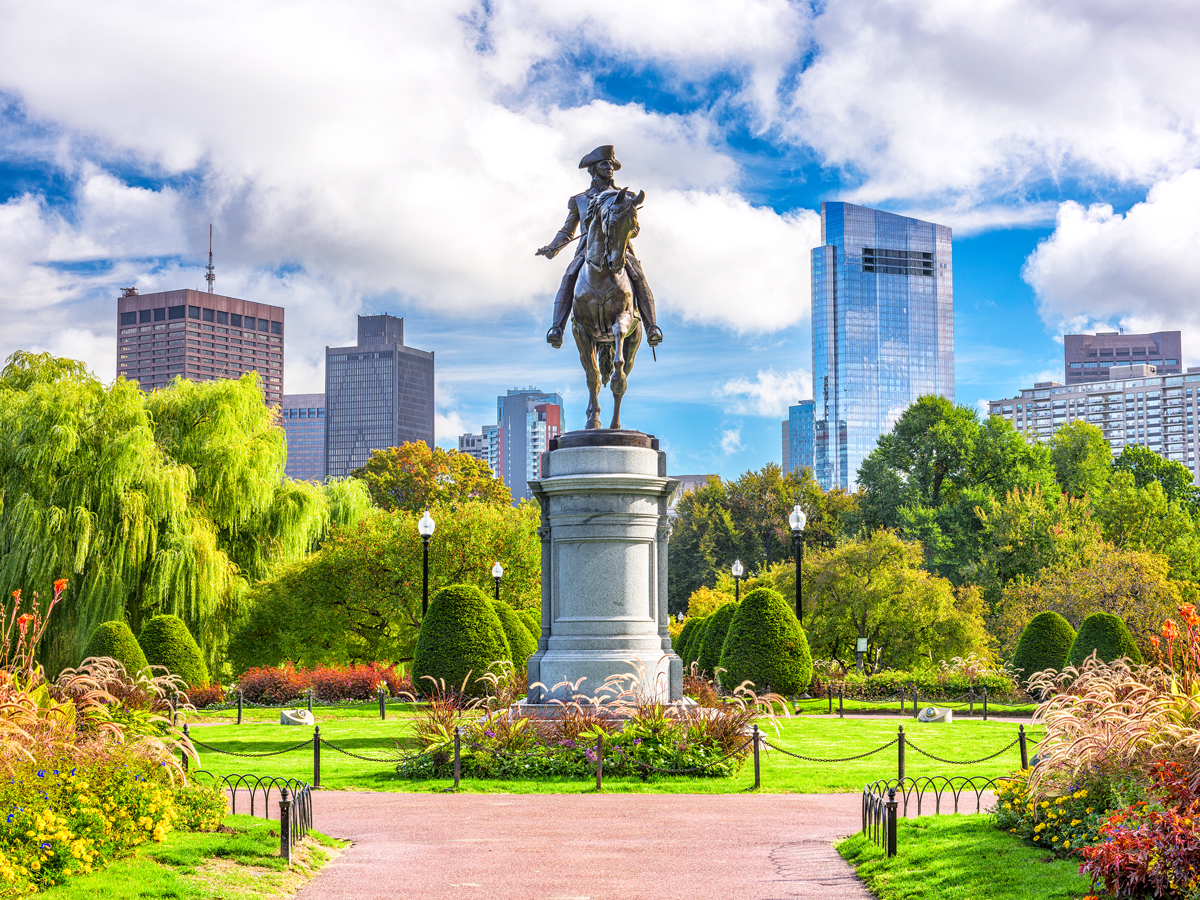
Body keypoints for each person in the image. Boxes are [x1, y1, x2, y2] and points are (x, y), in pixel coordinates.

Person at [536, 145, 663, 349]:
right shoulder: (579, 200)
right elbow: (567, 231)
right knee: (569, 277)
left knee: (638, 276)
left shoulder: (626, 196)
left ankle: (651, 327)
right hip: (588, 251)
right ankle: (557, 328)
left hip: (619, 249)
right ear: (593, 169)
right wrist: (553, 247)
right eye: (605, 164)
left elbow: (635, 227)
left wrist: (625, 231)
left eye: (611, 164)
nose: (609, 167)